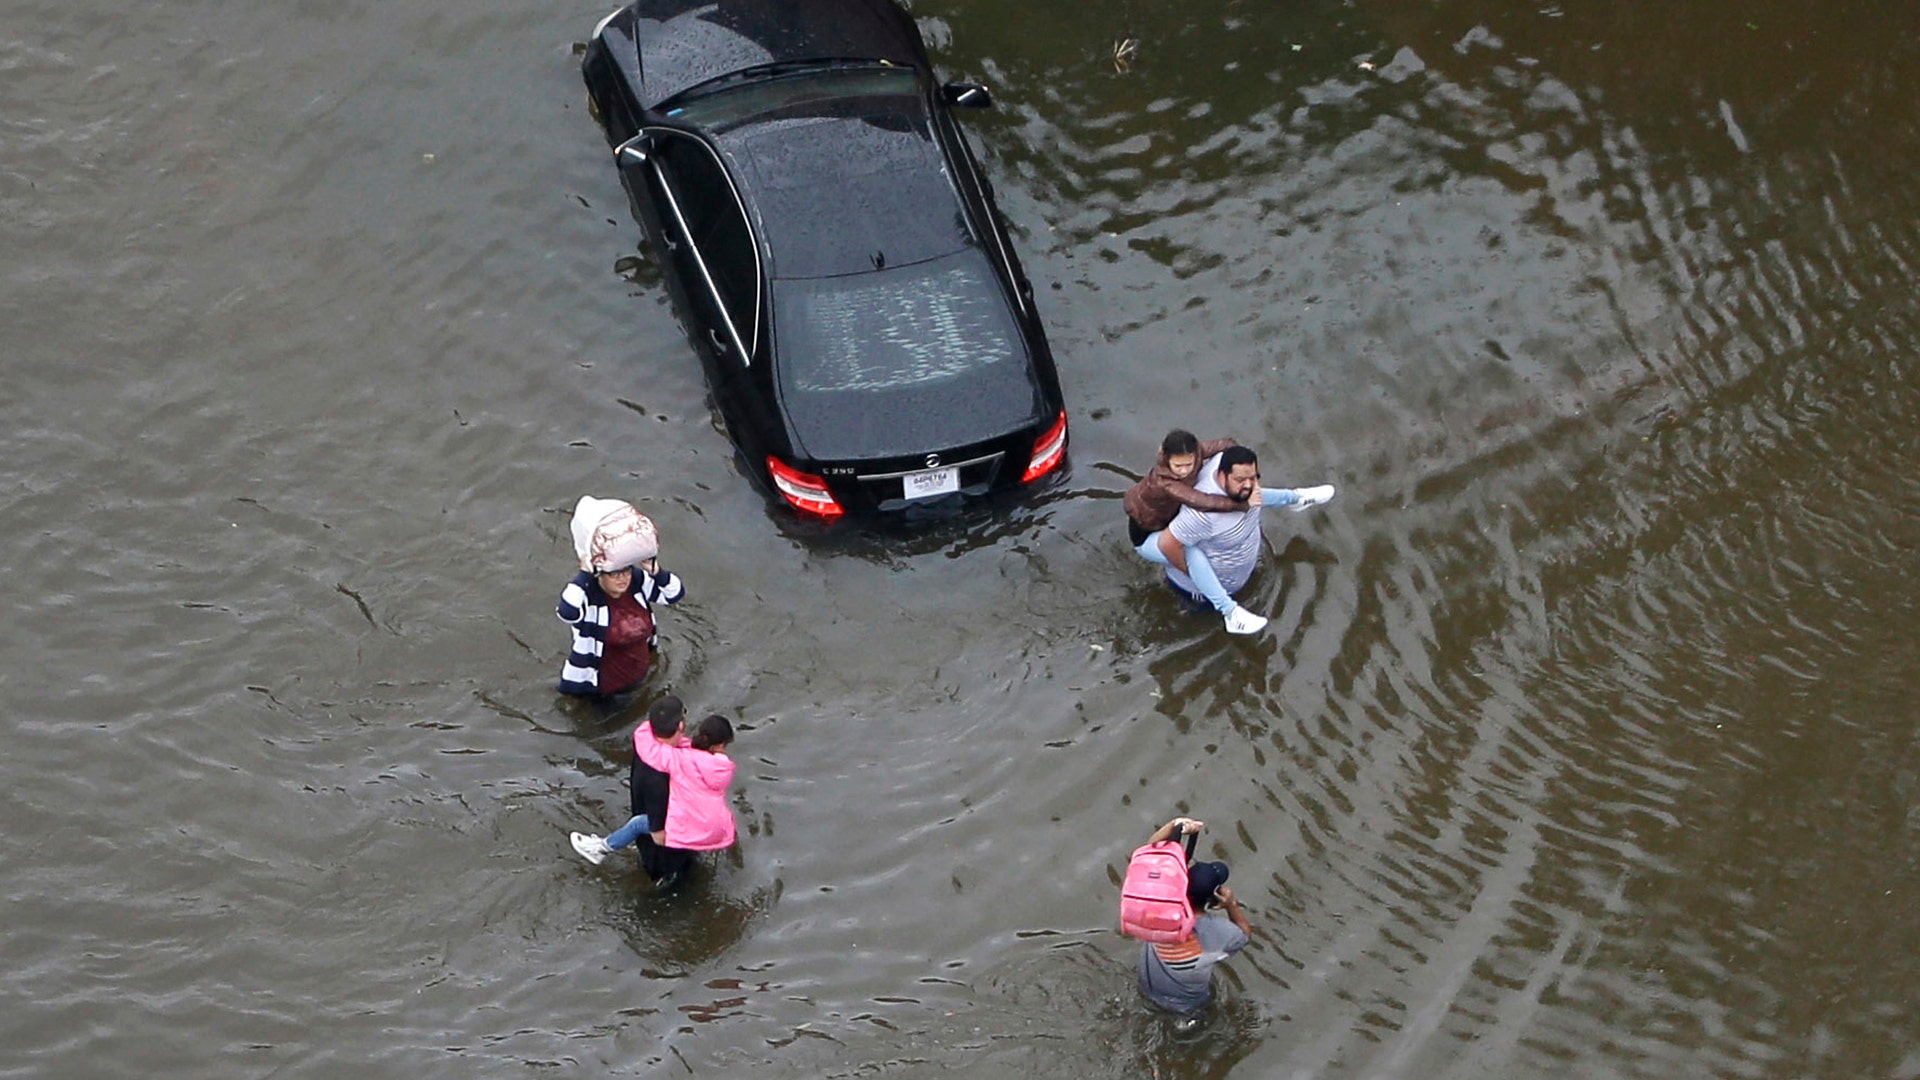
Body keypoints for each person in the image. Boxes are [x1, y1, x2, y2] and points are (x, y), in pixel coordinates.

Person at [1155, 445, 1333, 634]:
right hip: (1200, 594)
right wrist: (1194, 572)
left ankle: (1296, 499)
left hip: (1239, 570)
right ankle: (1226, 620)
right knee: (1206, 628)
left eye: (1254, 477)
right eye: (1240, 480)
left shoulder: (1236, 477)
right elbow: (1167, 543)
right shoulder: (1201, 516)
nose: (1249, 485)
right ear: (1221, 476)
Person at [556, 496, 685, 697]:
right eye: (614, 573)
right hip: (603, 687)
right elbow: (567, 612)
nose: (622, 578)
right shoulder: (589, 596)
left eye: (625, 571)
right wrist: (584, 574)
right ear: (600, 574)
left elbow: (674, 594)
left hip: (640, 673)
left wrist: (656, 571)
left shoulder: (636, 582)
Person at [1136, 816, 1253, 1017]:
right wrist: (1231, 905)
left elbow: (1149, 851)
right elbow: (1245, 935)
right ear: (1214, 897)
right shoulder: (1217, 931)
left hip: (1147, 990)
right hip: (1187, 1008)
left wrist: (1175, 825)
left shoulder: (1158, 903)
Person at [570, 697, 688, 886]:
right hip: (665, 855)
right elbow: (659, 836)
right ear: (680, 726)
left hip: (642, 815)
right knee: (673, 881)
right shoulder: (660, 778)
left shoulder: (644, 746)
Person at [634, 713, 738, 863]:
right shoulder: (723, 768)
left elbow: (650, 750)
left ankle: (603, 847)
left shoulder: (681, 758)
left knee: (636, 824)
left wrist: (648, 726)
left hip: (685, 825)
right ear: (722, 745)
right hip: (716, 827)